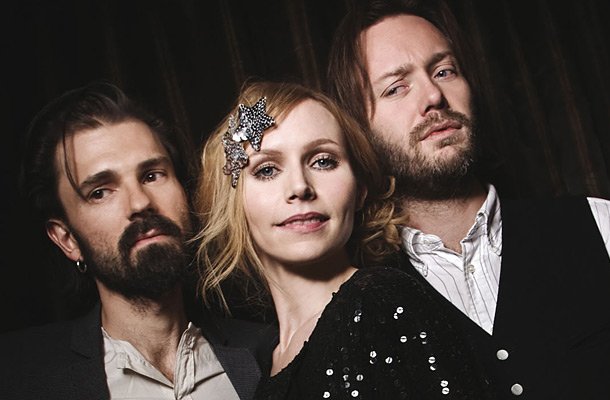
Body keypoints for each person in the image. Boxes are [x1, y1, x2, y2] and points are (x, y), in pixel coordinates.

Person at [326, 0, 610, 399]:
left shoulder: (597, 224)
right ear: (358, 127)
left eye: (444, 71)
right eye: (396, 87)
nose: (433, 96)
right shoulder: (359, 305)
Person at [192, 80, 495, 399]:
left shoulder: (380, 302)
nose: (300, 187)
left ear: (360, 189)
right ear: (232, 201)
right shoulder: (262, 361)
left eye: (323, 161)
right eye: (267, 170)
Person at [0, 81, 271, 400]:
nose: (140, 202)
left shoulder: (269, 352)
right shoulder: (17, 377)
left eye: (152, 175)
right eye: (100, 192)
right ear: (67, 239)